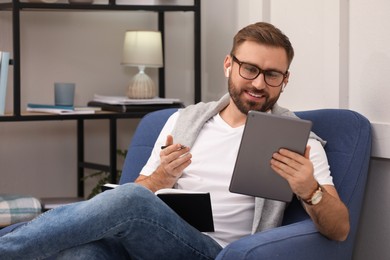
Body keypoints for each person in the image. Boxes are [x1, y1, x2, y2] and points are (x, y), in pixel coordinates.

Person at [0, 22, 349, 259]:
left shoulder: (298, 141)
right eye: (250, 69)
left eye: (272, 74)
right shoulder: (184, 121)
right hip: (148, 241)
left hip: (210, 251)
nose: (258, 83)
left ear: (284, 80)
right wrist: (160, 179)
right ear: (229, 64)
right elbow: (133, 195)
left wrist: (310, 189)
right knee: (79, 254)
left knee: (132, 200)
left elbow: (340, 231)